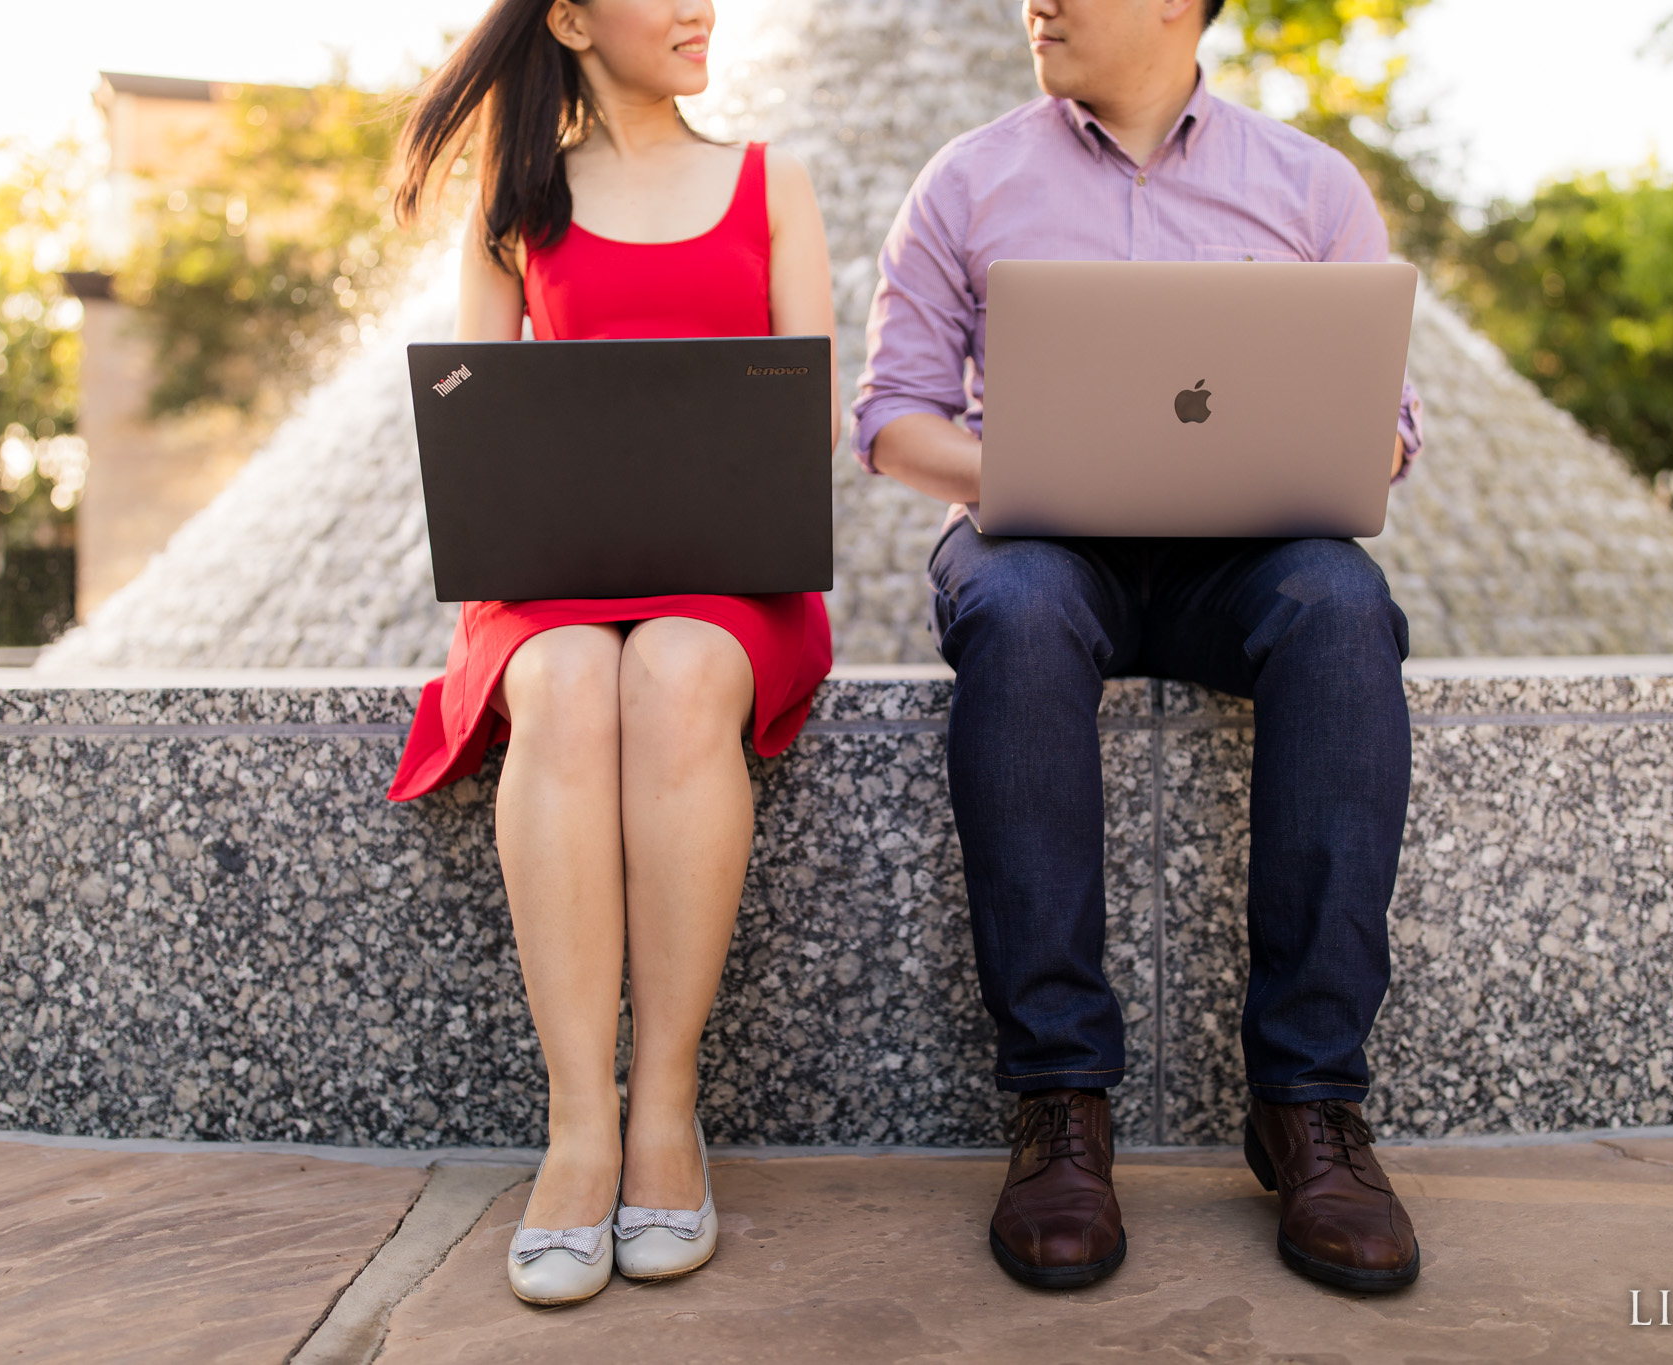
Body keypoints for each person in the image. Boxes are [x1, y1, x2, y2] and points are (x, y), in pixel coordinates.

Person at [855, 0, 1425, 1293]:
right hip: (1042, 540)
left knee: (1343, 605)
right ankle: (1061, 1105)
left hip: (1246, 557)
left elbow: (1387, 430)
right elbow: (893, 419)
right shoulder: (969, 177)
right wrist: (1037, 469)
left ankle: (1311, 1102)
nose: (1035, 3)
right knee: (1018, 606)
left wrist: (1332, 440)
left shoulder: (1311, 188)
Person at [388, 0, 836, 1306]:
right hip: (553, 586)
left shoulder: (773, 181)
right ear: (572, 18)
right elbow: (480, 426)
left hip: (727, 575)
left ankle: (664, 1115)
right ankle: (579, 1126)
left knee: (680, 668)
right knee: (572, 679)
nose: (701, 7)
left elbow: (801, 424)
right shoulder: (516, 198)